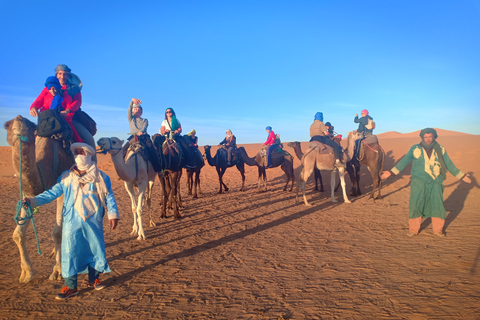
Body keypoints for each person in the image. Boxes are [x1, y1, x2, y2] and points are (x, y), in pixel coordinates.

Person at [22, 143, 120, 300]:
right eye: (76, 152)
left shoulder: (101, 177)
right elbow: (51, 193)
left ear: (89, 154)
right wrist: (33, 201)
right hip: (70, 221)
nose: (79, 154)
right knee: (69, 251)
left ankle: (93, 279)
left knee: (94, 248)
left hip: (93, 219)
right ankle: (71, 286)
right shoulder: (66, 177)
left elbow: (109, 196)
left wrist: (113, 214)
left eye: (82, 152)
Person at [381, 128, 471, 237]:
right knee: (416, 203)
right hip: (418, 181)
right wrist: (390, 173)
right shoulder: (415, 148)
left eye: (430, 137)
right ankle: (413, 230)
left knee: (437, 204)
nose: (428, 139)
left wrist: (462, 175)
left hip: (436, 181)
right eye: (426, 137)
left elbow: (449, 164)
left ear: (434, 137)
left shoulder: (441, 149)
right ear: (422, 137)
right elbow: (404, 162)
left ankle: (438, 230)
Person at [54, 64, 96, 156]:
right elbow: (43, 99)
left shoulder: (74, 88)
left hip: (71, 118)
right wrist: (33, 107)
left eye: (64, 74)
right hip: (53, 118)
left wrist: (68, 110)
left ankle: (92, 167)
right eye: (60, 74)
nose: (62, 76)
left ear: (68, 76)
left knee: (89, 139)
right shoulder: (51, 87)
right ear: (56, 75)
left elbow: (77, 102)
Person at [30, 76, 83, 142]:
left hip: (62, 121)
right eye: (50, 89)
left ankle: (80, 150)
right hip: (46, 122)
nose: (52, 90)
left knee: (76, 139)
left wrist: (66, 113)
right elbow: (39, 101)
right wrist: (33, 108)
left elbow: (71, 107)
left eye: (54, 88)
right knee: (33, 139)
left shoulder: (66, 96)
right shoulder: (46, 95)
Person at [126, 98, 162, 172]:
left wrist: (141, 132)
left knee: (152, 150)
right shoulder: (131, 119)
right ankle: (123, 169)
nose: (137, 111)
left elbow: (144, 128)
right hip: (133, 137)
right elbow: (129, 110)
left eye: (139, 110)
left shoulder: (145, 120)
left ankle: (158, 170)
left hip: (144, 137)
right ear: (133, 111)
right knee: (123, 150)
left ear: (141, 112)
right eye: (136, 109)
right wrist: (132, 101)